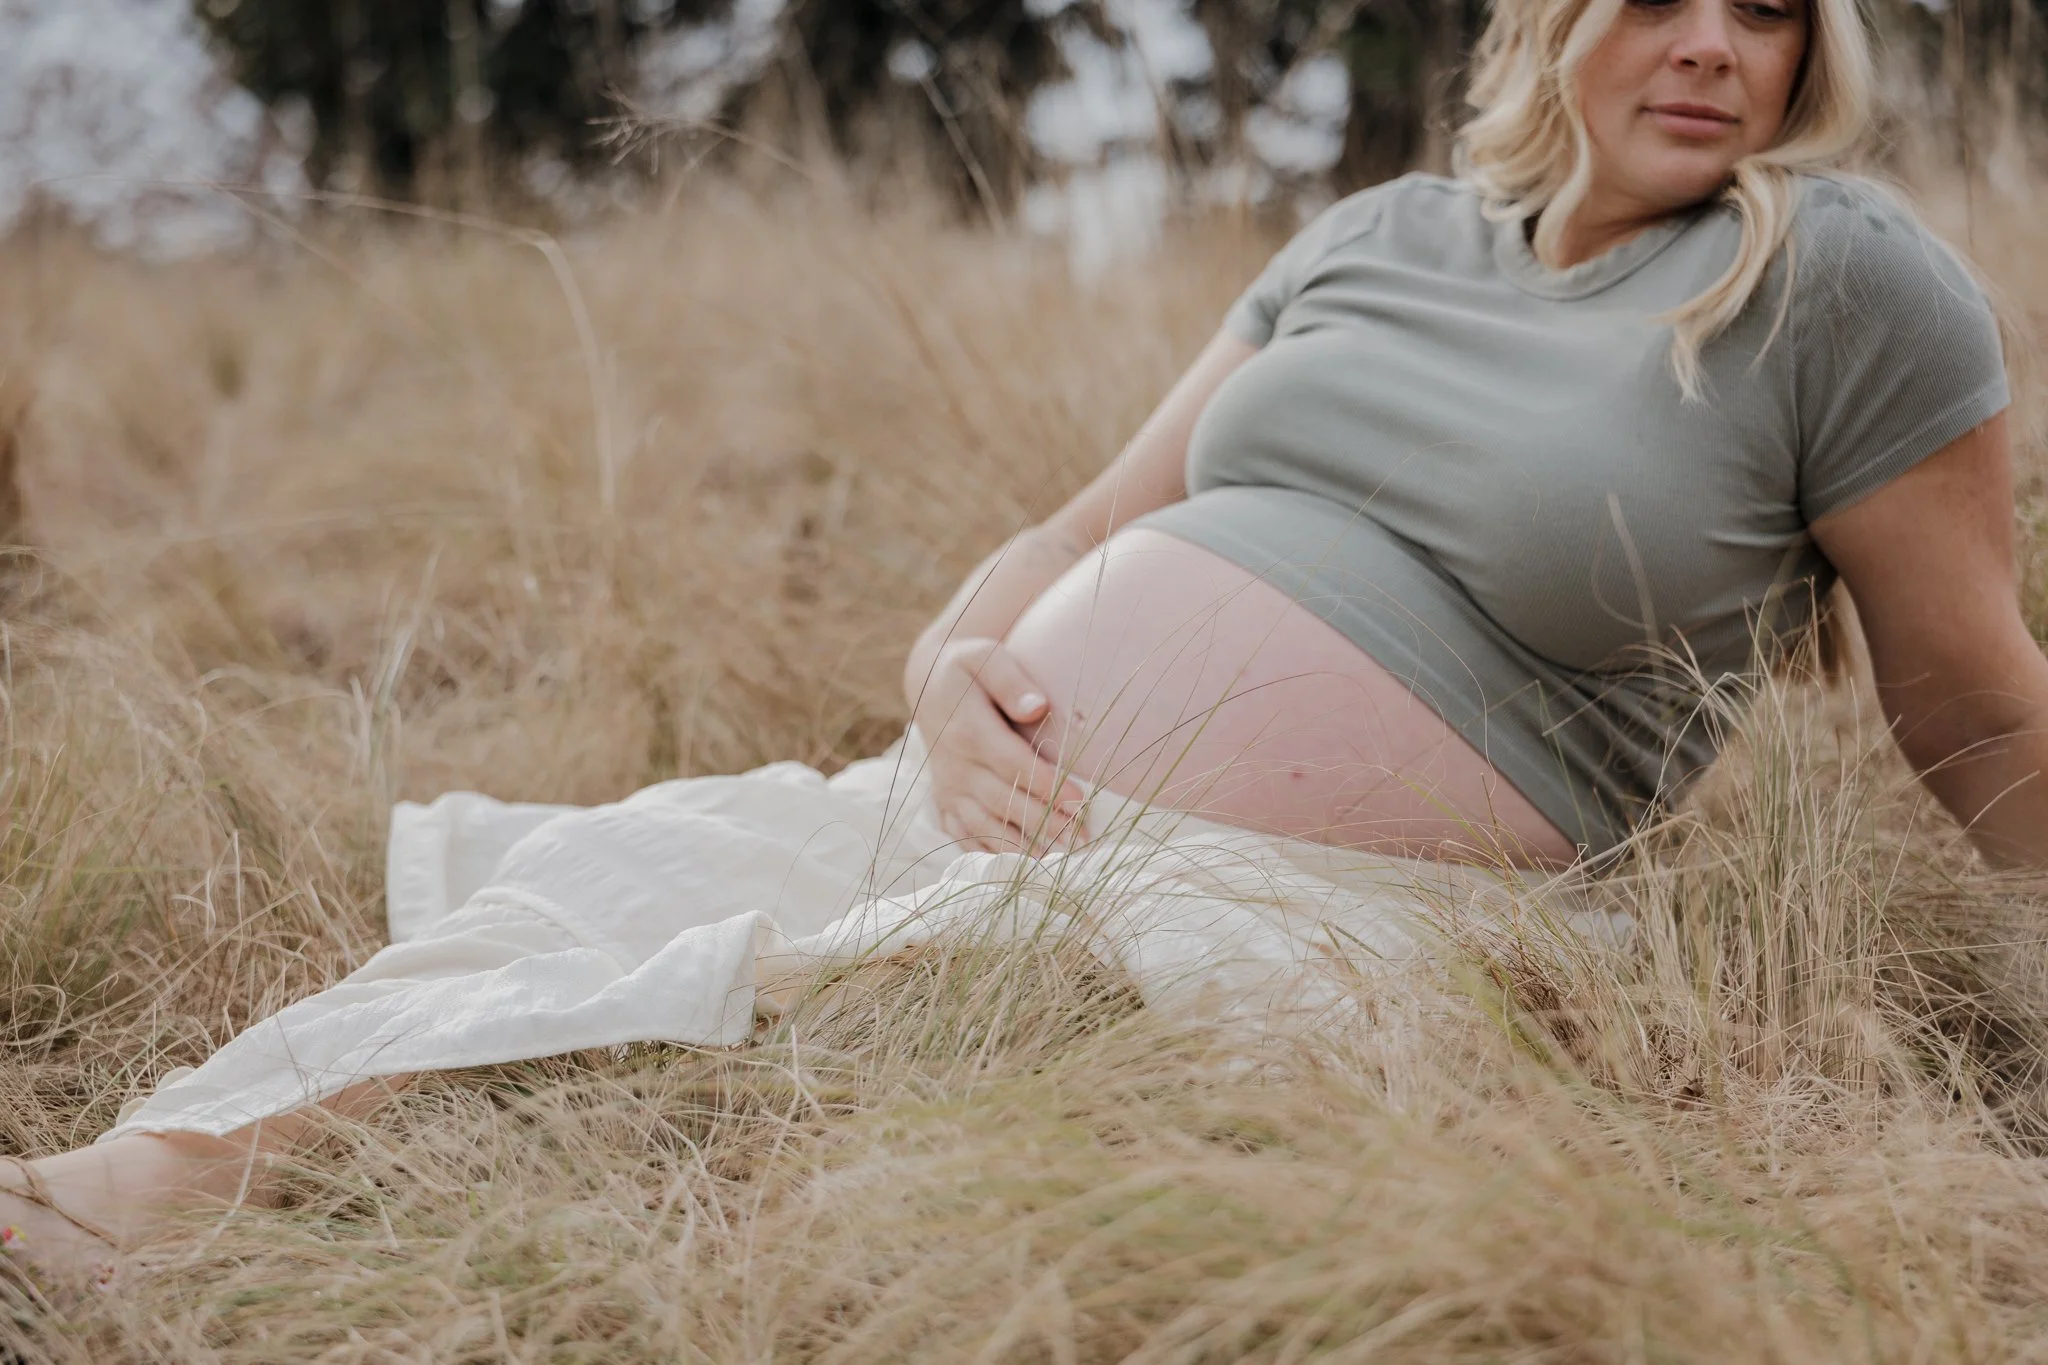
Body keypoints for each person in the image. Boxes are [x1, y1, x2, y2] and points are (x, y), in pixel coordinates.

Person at [2, 0, 2033, 1298]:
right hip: (987, 799)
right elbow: (1077, 527)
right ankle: (118, 1178)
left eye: (1765, 14)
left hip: (1351, 898)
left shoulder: (1836, 284)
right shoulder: (1374, 239)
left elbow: (1977, 707)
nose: (1710, 46)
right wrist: (945, 673)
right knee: (619, 880)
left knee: (782, 999)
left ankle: (180, 1196)